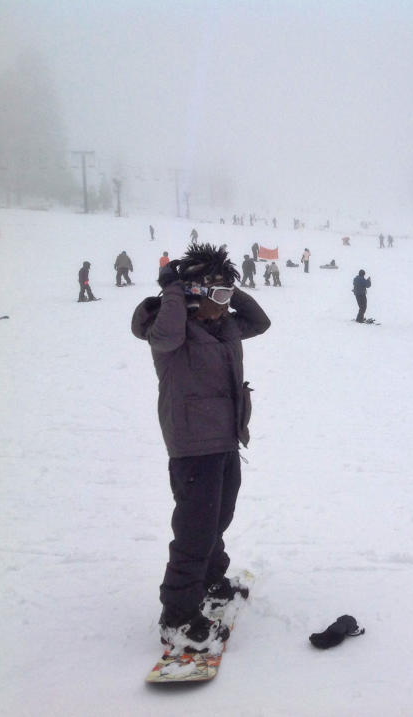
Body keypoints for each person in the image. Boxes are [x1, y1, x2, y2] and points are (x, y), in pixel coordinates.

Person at [131, 242, 270, 655]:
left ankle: (212, 578)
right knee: (194, 531)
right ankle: (177, 616)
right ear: (194, 296)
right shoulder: (170, 332)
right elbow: (168, 333)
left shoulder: (224, 325)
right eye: (220, 296)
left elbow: (260, 321)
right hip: (193, 445)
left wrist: (225, 282)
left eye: (229, 296)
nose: (227, 305)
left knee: (218, 518)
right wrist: (176, 289)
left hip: (225, 438)